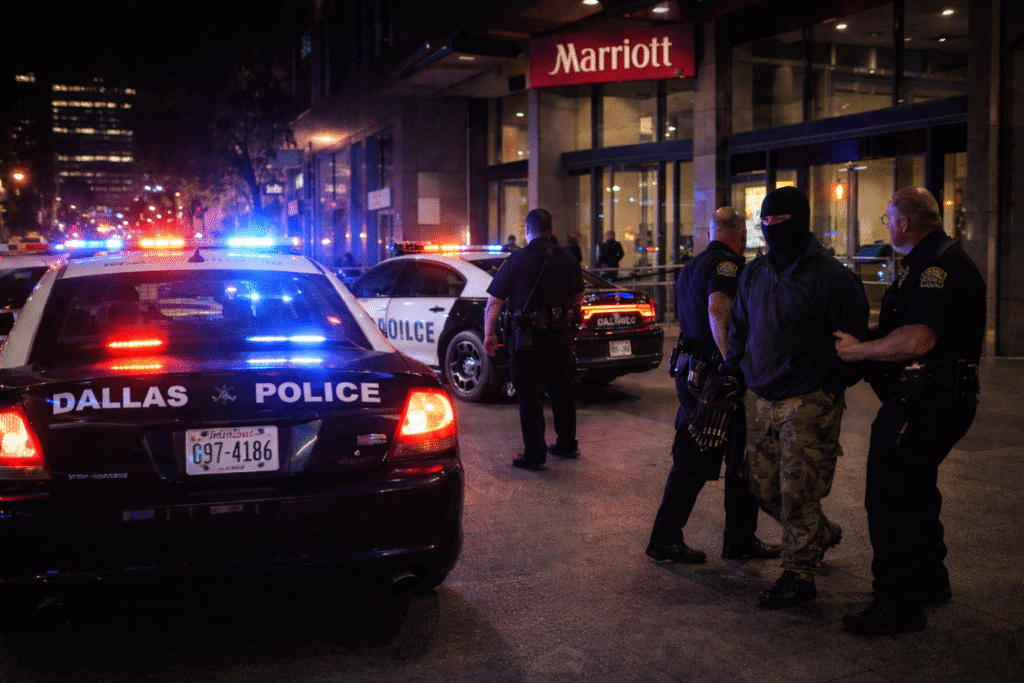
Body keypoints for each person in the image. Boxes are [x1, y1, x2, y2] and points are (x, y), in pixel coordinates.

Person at [834, 187, 985, 635]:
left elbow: (918, 338)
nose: (887, 227)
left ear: (904, 222)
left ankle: (898, 602)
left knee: (891, 497)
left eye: (887, 219)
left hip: (924, 402)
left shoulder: (935, 268)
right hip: (938, 399)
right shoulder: (937, 259)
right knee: (917, 489)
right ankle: (928, 580)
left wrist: (860, 352)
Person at [727, 186, 870, 608]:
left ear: (800, 223)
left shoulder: (831, 277)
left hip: (808, 400)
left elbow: (855, 341)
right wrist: (733, 375)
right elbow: (740, 329)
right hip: (760, 396)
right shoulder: (755, 273)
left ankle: (799, 573)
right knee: (764, 486)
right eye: (765, 224)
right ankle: (818, 534)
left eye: (779, 223)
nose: (771, 231)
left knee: (799, 490)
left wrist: (831, 384)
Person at [646, 207, 781, 565]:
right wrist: (733, 367)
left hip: (693, 373)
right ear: (739, 234)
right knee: (722, 458)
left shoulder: (692, 265)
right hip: (717, 379)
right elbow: (718, 309)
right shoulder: (728, 266)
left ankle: (734, 537)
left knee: (713, 455)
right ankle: (677, 538)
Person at [484, 208, 585, 471]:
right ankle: (567, 444)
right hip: (562, 337)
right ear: (551, 230)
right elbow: (578, 298)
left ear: (526, 231)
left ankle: (535, 454)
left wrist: (489, 334)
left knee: (530, 395)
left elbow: (494, 302)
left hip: (528, 340)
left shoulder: (516, 260)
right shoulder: (568, 259)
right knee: (563, 391)